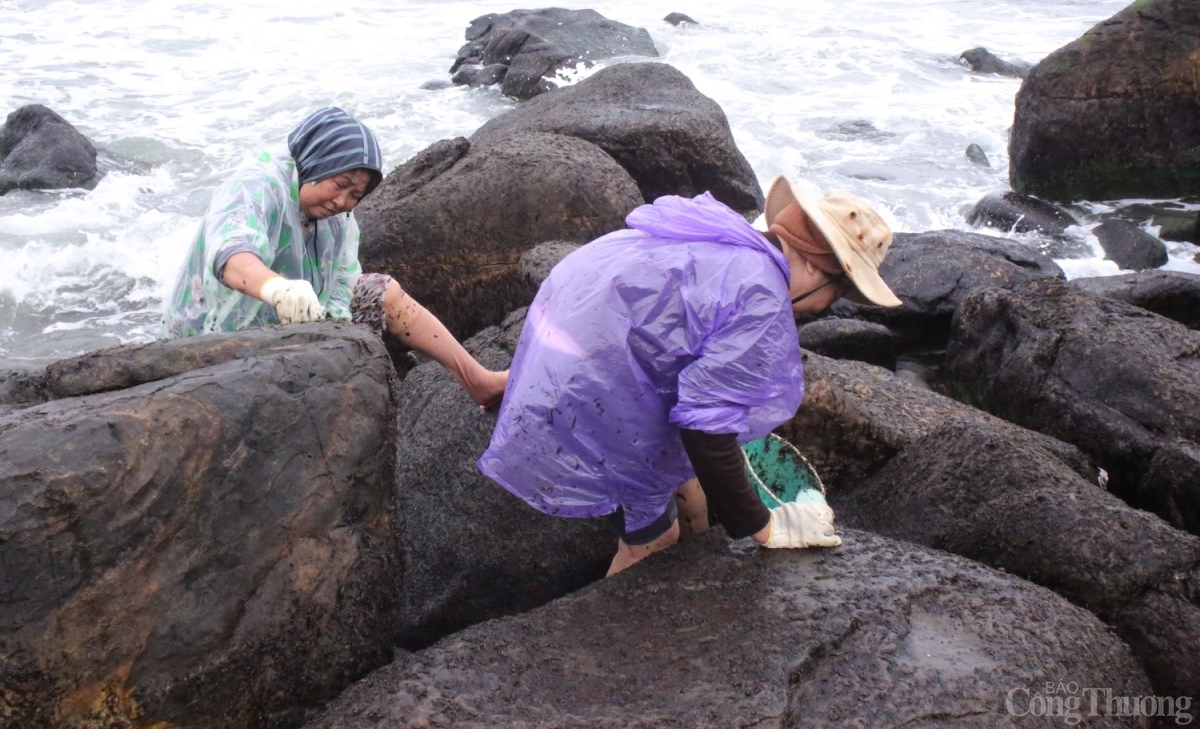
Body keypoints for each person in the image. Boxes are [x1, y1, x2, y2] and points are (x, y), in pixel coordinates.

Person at [475, 175, 902, 574]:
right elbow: (706, 429)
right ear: (813, 267)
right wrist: (763, 526)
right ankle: (606, 637)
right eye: (838, 292)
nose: (826, 307)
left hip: (555, 350)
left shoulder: (716, 233)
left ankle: (696, 575)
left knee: (690, 489)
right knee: (654, 540)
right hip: (594, 403)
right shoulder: (761, 295)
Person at [162, 106, 507, 409]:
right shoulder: (256, 186)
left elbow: (342, 285)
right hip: (212, 340)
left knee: (380, 290)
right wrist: (277, 290)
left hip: (293, 325)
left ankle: (477, 379)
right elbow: (231, 255)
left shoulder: (338, 220)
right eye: (339, 183)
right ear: (315, 160)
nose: (342, 201)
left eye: (355, 194)